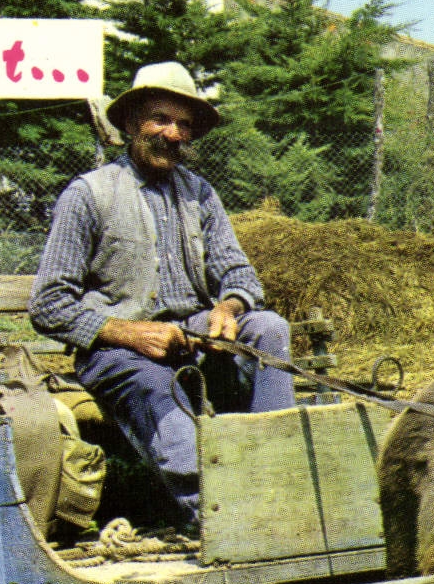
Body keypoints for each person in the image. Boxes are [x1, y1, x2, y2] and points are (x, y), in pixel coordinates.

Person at [30, 62, 294, 530]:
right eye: (160, 120)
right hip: (114, 353)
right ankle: (221, 520)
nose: (172, 134)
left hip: (190, 335)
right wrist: (128, 333)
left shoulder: (200, 194)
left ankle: (277, 477)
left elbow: (239, 274)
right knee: (155, 385)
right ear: (131, 123)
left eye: (184, 124)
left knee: (268, 328)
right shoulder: (89, 194)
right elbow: (48, 305)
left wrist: (228, 308)